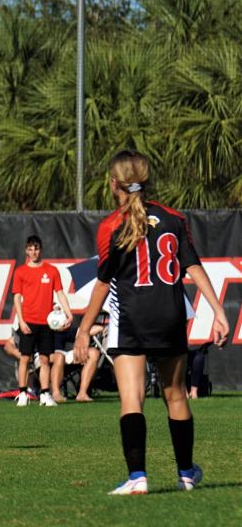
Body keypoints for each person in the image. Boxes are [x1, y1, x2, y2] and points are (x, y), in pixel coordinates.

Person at [73, 150, 230, 495]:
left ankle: (137, 477)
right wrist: (218, 310)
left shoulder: (111, 226)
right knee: (176, 396)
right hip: (170, 316)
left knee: (132, 399)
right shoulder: (174, 218)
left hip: (131, 317)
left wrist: (83, 329)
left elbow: (102, 282)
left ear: (114, 184)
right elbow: (193, 266)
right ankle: (186, 473)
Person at [11, 235, 73, 407]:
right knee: (25, 358)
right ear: (26, 251)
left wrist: (69, 314)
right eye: (30, 249)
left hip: (46, 323)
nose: (33, 252)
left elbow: (60, 293)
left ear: (41, 249)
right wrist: (21, 321)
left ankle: (45, 395)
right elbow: (17, 298)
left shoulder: (51, 270)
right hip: (28, 322)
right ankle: (23, 393)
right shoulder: (20, 272)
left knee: (45, 359)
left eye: (36, 248)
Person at [48, 319, 104, 403]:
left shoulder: (63, 327)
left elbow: (85, 332)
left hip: (63, 356)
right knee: (59, 356)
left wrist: (103, 327)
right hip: (43, 357)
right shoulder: (39, 326)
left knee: (93, 353)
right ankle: (56, 394)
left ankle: (82, 393)